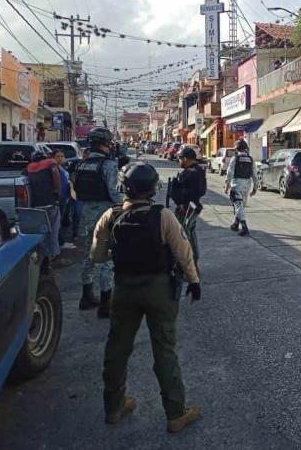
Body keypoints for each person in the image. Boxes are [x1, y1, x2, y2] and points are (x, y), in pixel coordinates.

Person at [92, 162, 202, 433]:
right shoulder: (162, 215)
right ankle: (176, 413)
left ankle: (114, 407)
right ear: (153, 188)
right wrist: (194, 280)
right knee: (164, 350)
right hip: (159, 289)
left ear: (124, 187)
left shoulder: (111, 215)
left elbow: (97, 255)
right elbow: (183, 251)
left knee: (117, 348)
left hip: (124, 289)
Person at [74, 127, 123, 317]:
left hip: (86, 212)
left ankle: (86, 296)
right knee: (105, 258)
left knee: (88, 254)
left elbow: (77, 189)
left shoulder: (82, 163)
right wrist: (128, 204)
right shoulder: (108, 165)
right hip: (105, 214)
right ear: (105, 144)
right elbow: (114, 192)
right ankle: (105, 304)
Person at [169, 146, 207, 267]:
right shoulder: (197, 171)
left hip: (186, 209)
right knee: (189, 234)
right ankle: (193, 263)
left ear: (185, 158)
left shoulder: (191, 173)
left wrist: (182, 203)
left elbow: (190, 192)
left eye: (180, 159)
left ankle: (190, 265)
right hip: (192, 207)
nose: (178, 161)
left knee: (184, 237)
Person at [24, 150, 61, 259]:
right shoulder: (51, 163)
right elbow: (56, 178)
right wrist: (58, 193)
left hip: (35, 205)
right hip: (50, 202)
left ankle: (43, 257)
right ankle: (54, 254)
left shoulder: (29, 167)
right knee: (53, 231)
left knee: (41, 231)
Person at [224, 139, 258, 236]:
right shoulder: (251, 159)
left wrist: (226, 185)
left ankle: (244, 227)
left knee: (239, 206)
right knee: (241, 206)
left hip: (236, 186)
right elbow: (254, 174)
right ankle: (235, 224)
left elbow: (229, 173)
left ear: (236, 149)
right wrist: (255, 188)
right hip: (246, 186)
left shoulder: (235, 158)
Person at [53, 149, 76, 250]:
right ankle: (60, 243)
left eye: (62, 156)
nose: (60, 158)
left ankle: (59, 242)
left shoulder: (62, 167)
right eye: (57, 156)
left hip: (65, 198)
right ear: (53, 157)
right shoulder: (54, 168)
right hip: (60, 198)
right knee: (57, 222)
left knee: (61, 221)